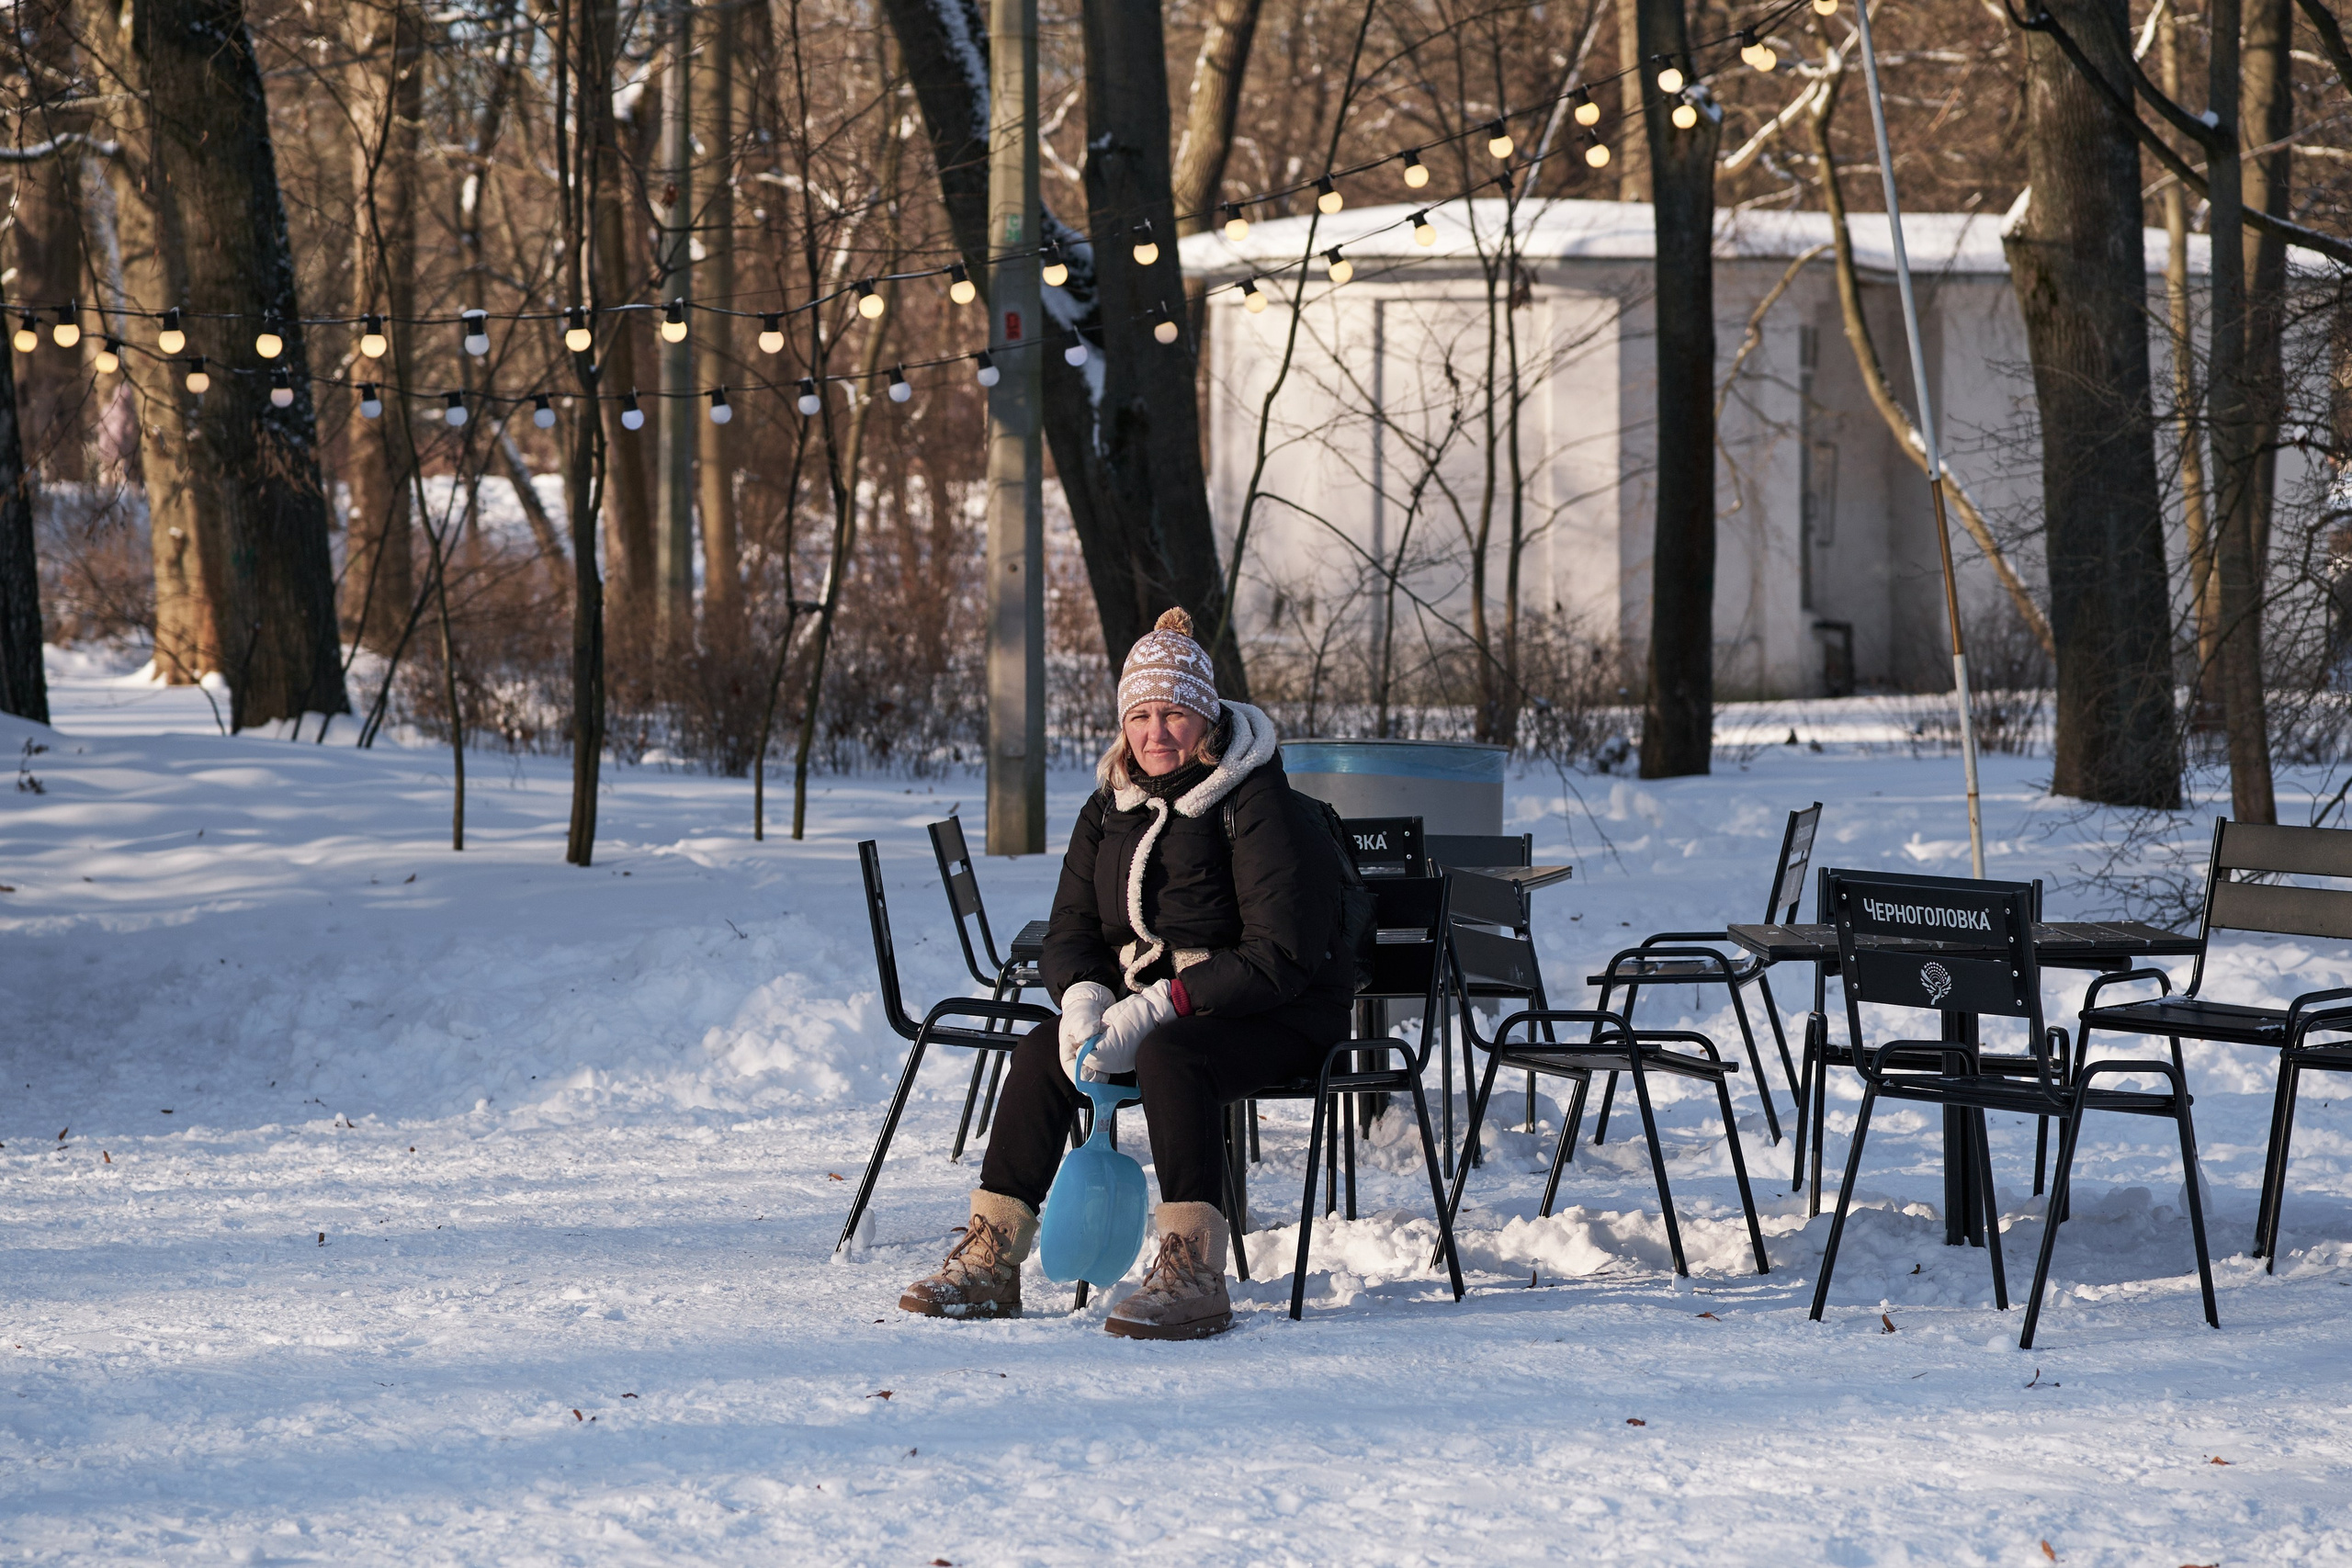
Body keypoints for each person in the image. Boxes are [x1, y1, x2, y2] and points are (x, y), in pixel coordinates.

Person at [899, 608, 1351, 1339]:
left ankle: (1193, 1271)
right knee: (1043, 1048)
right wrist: (1082, 997)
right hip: (1164, 1008)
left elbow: (1281, 955)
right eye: (1139, 714)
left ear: (1205, 717)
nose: (1154, 732)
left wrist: (1165, 1003)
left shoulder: (1259, 805)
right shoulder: (1108, 807)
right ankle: (992, 1258)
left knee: (1173, 1054)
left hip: (1283, 1015)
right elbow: (1071, 928)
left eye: (1173, 713)